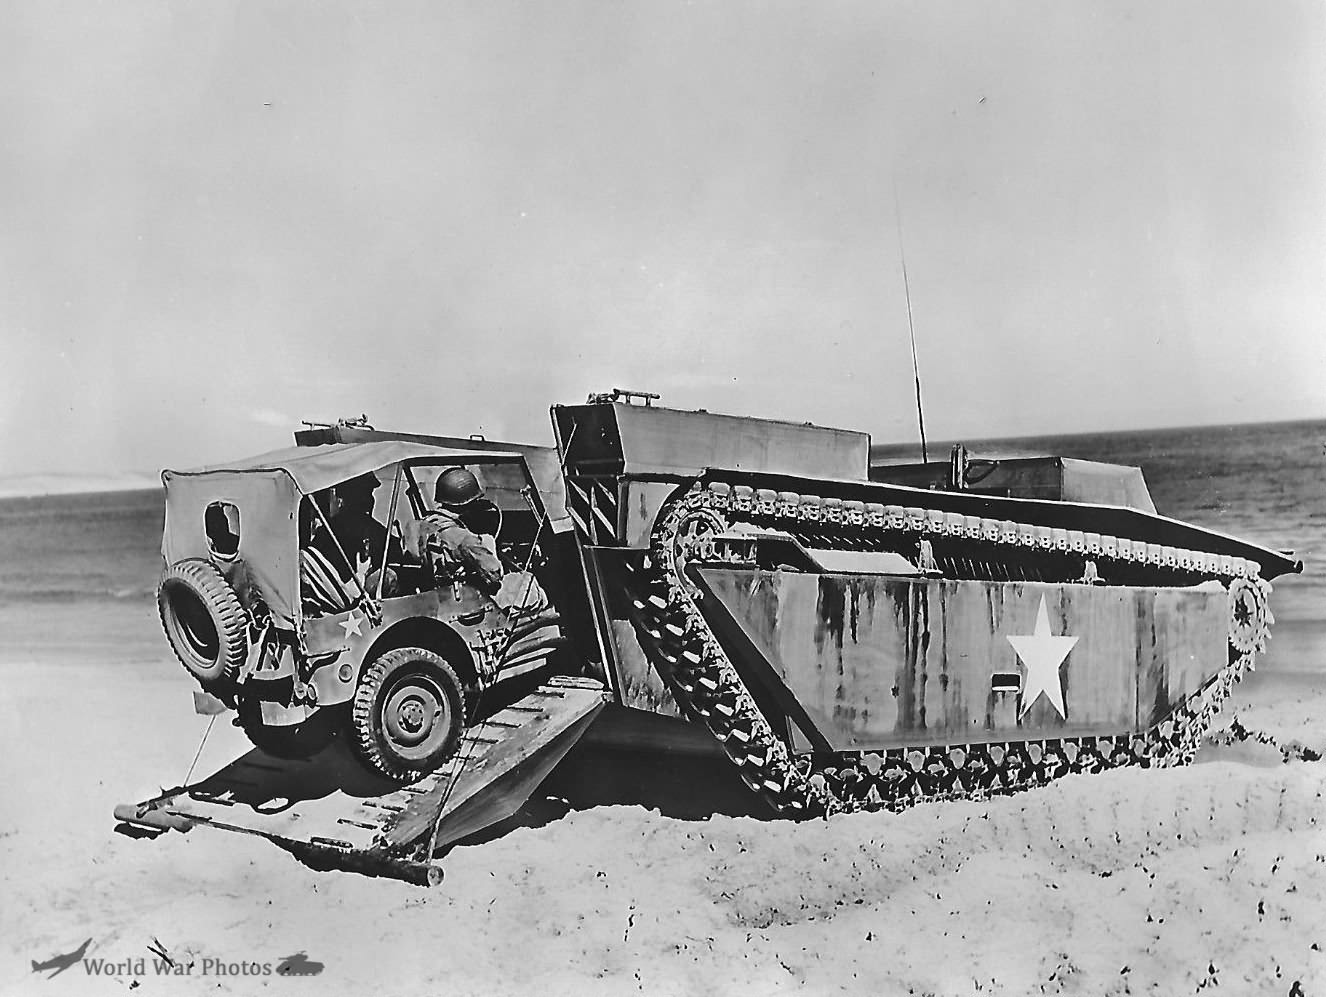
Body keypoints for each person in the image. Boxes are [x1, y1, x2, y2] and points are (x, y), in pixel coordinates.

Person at [419, 467, 549, 615]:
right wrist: (487, 546)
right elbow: (494, 574)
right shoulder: (465, 540)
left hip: (439, 596)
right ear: (467, 503)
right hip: (466, 601)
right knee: (529, 585)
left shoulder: (424, 526)